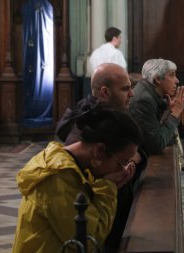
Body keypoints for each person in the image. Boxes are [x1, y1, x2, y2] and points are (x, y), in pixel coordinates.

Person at [12, 106, 143, 253]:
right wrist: (108, 187)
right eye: (123, 162)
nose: (122, 170)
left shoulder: (77, 165)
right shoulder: (58, 177)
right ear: (99, 151)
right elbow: (89, 240)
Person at [55, 63, 147, 252]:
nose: (132, 94)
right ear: (104, 92)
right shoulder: (87, 132)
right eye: (126, 89)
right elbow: (89, 237)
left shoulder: (111, 121)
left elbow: (138, 148)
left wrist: (135, 158)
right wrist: (109, 186)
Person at [129, 58, 184, 156]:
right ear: (158, 79)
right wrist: (175, 114)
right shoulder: (144, 100)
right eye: (172, 75)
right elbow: (156, 145)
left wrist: (168, 110)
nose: (177, 80)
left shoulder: (150, 95)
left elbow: (167, 140)